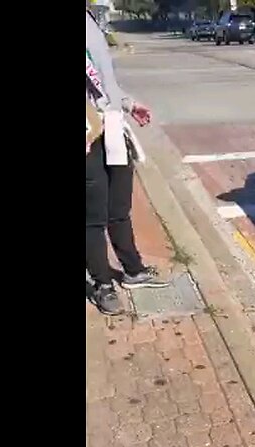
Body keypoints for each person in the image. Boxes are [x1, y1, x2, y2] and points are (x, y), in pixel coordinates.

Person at [86, 8, 167, 315]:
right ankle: (102, 284)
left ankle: (133, 270)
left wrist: (129, 104)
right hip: (88, 135)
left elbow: (103, 82)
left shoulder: (90, 18)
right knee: (92, 215)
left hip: (112, 123)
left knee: (119, 207)